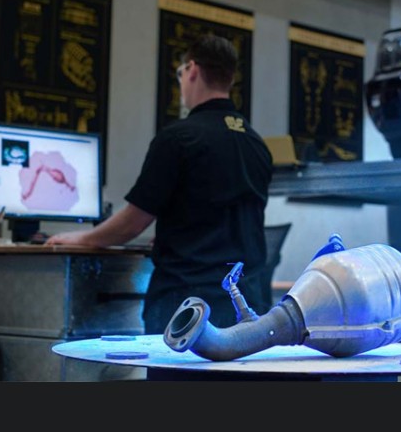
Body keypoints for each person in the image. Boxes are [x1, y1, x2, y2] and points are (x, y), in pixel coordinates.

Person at [45, 33, 274, 334]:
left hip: (187, 306)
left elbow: (132, 223)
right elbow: (222, 218)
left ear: (191, 70)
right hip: (248, 306)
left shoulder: (179, 138)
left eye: (180, 74)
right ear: (230, 78)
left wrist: (83, 239)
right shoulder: (257, 145)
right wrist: (174, 234)